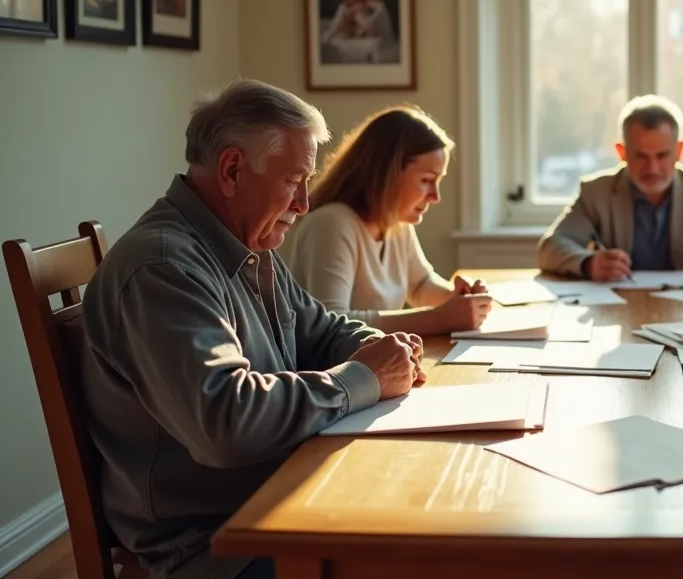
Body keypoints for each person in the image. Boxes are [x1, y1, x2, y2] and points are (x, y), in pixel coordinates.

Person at [80, 80, 428, 579]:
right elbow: (227, 422)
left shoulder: (250, 246)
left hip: (275, 499)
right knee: (431, 554)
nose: (305, 202)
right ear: (232, 170)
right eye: (294, 179)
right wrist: (365, 378)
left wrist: (378, 349)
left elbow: (321, 330)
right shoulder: (163, 268)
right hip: (216, 544)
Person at [282, 104, 492, 335]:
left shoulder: (397, 223)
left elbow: (420, 286)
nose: (435, 196)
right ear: (387, 174)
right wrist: (440, 319)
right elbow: (332, 323)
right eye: (426, 180)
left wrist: (456, 299)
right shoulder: (331, 223)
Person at [537, 94, 683, 282]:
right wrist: (588, 264)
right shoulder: (596, 192)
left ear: (679, 150)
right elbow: (550, 248)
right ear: (621, 152)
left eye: (662, 155)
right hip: (616, 307)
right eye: (640, 156)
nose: (652, 168)